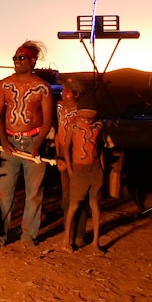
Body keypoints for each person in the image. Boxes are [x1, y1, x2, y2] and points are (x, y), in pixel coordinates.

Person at [0, 41, 54, 248]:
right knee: (4, 192)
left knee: (34, 193)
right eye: (15, 58)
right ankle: (0, 235)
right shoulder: (5, 84)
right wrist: (3, 141)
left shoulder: (42, 87)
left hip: (33, 142)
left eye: (21, 58)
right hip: (9, 143)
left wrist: (38, 145)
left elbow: (47, 120)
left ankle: (28, 236)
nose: (17, 62)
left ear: (32, 61)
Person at [59, 94, 105, 254]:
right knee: (74, 204)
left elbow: (99, 149)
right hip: (79, 169)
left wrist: (102, 168)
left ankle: (95, 243)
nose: (88, 120)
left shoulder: (99, 125)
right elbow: (66, 147)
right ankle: (66, 240)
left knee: (95, 204)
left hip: (95, 168)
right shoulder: (73, 126)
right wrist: (71, 169)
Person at [56, 76, 88, 249]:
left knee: (78, 196)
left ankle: (79, 235)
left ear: (77, 94)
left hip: (76, 157)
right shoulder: (60, 107)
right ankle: (68, 233)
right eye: (63, 90)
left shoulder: (81, 111)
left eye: (67, 91)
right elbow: (58, 132)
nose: (63, 93)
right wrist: (58, 155)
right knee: (66, 196)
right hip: (63, 155)